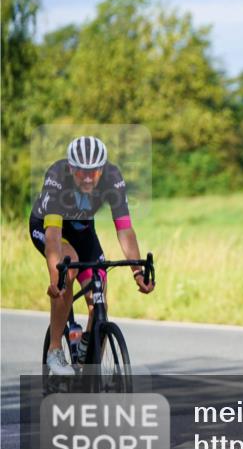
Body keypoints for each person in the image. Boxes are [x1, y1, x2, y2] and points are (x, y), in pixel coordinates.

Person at [28, 136, 154, 376]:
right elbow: (53, 234)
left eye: (93, 172)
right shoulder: (57, 175)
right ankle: (55, 349)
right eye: (81, 171)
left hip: (84, 231)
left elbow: (125, 228)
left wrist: (137, 272)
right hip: (49, 228)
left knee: (98, 297)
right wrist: (57, 279)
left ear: (102, 169)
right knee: (69, 267)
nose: (87, 177)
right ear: (71, 167)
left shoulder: (113, 178)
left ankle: (89, 356)